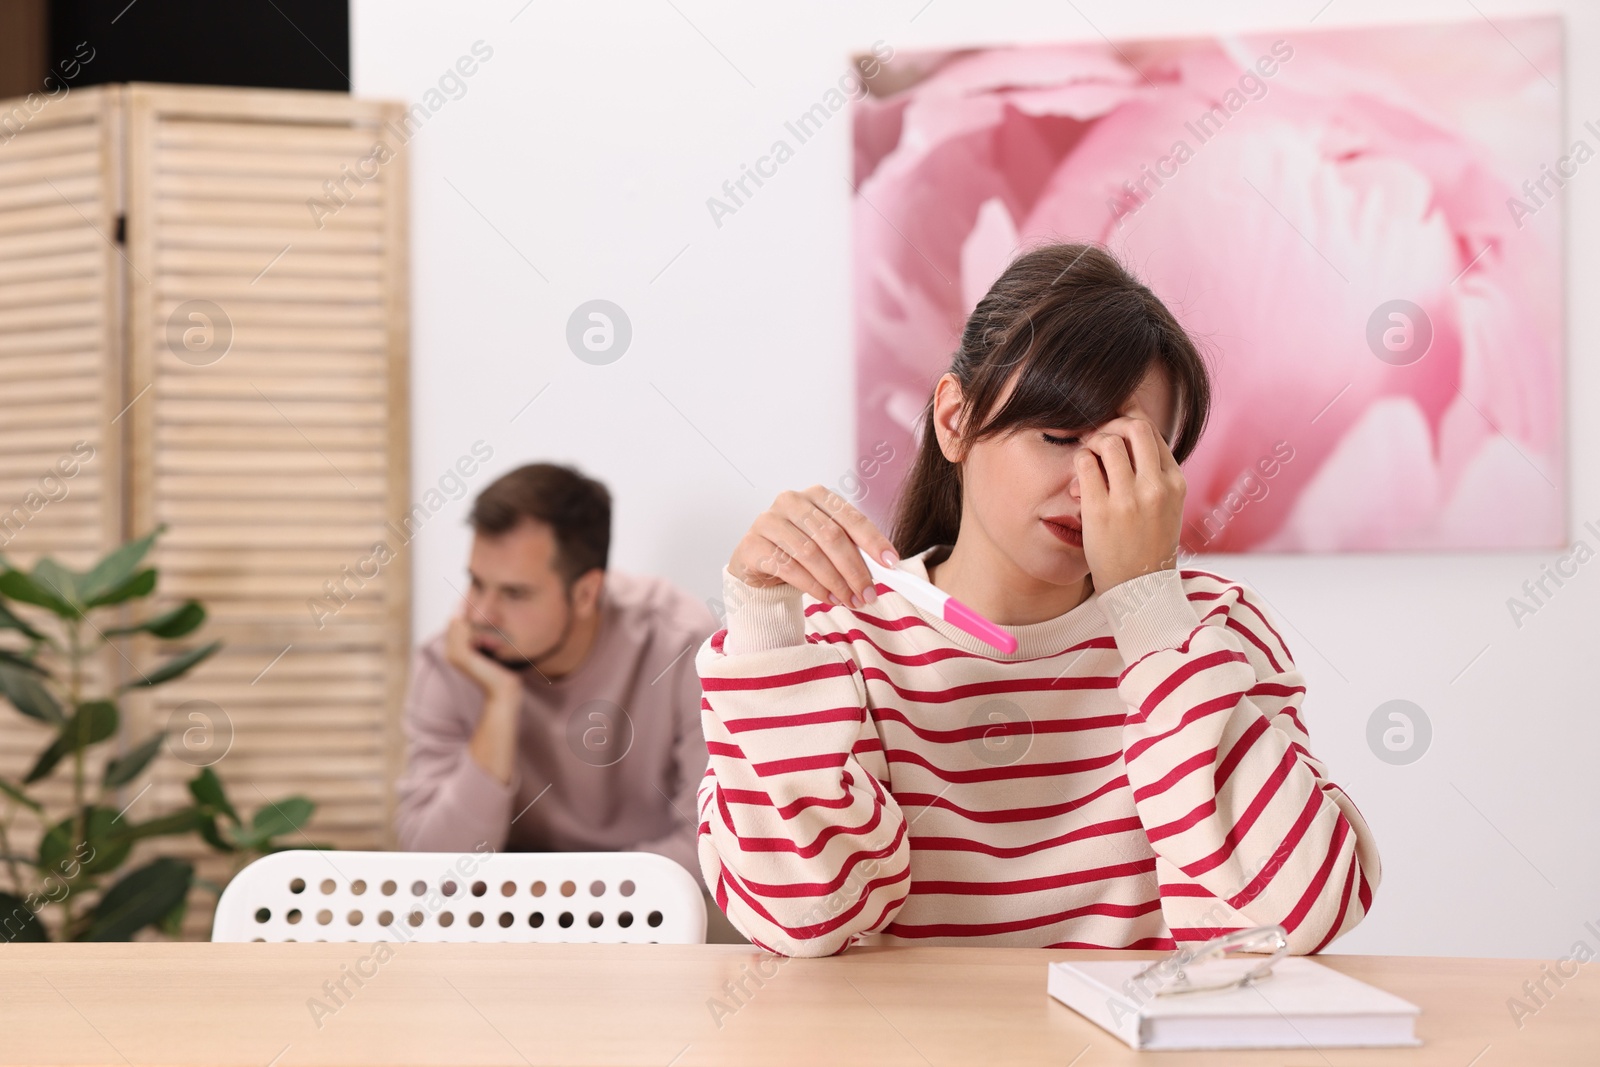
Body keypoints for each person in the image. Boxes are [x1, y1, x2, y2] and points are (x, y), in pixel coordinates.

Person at [694, 242, 1381, 958]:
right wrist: (766, 628)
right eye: (1058, 437)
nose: (1090, 488)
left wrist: (1149, 610)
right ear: (955, 421)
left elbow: (1296, 916)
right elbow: (809, 919)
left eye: (1129, 457)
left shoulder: (1207, 626)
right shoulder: (841, 636)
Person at [395, 463, 717, 885]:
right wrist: (499, 704)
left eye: (514, 593)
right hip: (512, 921)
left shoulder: (681, 646)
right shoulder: (453, 661)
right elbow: (433, 866)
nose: (480, 612)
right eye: (476, 583)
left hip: (652, 920)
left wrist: (561, 897)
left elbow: (715, 844)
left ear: (586, 593)